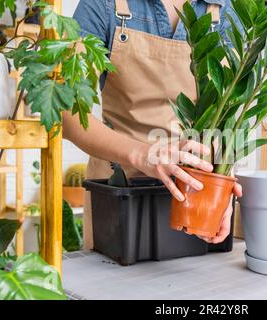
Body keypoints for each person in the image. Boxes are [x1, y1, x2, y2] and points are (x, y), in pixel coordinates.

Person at [64, 0, 242, 250]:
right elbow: (66, 114)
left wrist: (224, 180)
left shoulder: (226, 10)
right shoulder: (103, 4)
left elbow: (230, 112)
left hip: (198, 201)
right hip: (121, 198)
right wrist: (144, 154)